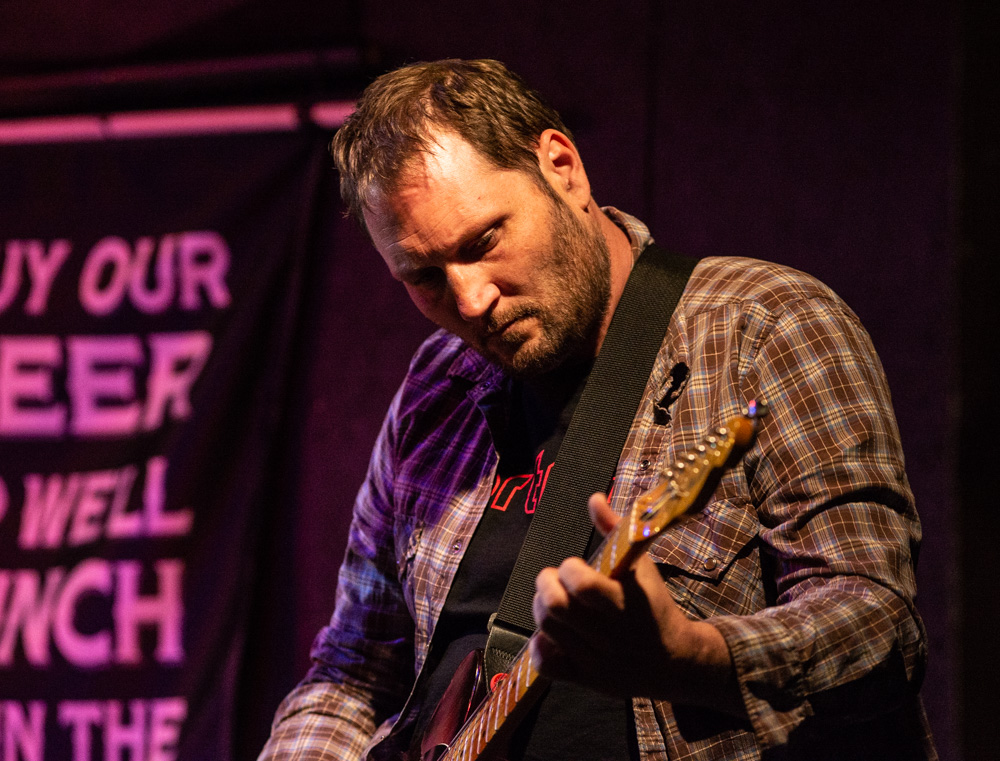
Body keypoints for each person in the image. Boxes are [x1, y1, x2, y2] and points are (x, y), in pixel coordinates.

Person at [259, 59, 935, 760]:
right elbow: (354, 666)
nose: (470, 302)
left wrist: (693, 656)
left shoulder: (760, 327)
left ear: (562, 167)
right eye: (424, 276)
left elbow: (878, 626)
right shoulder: (436, 388)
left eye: (484, 241)